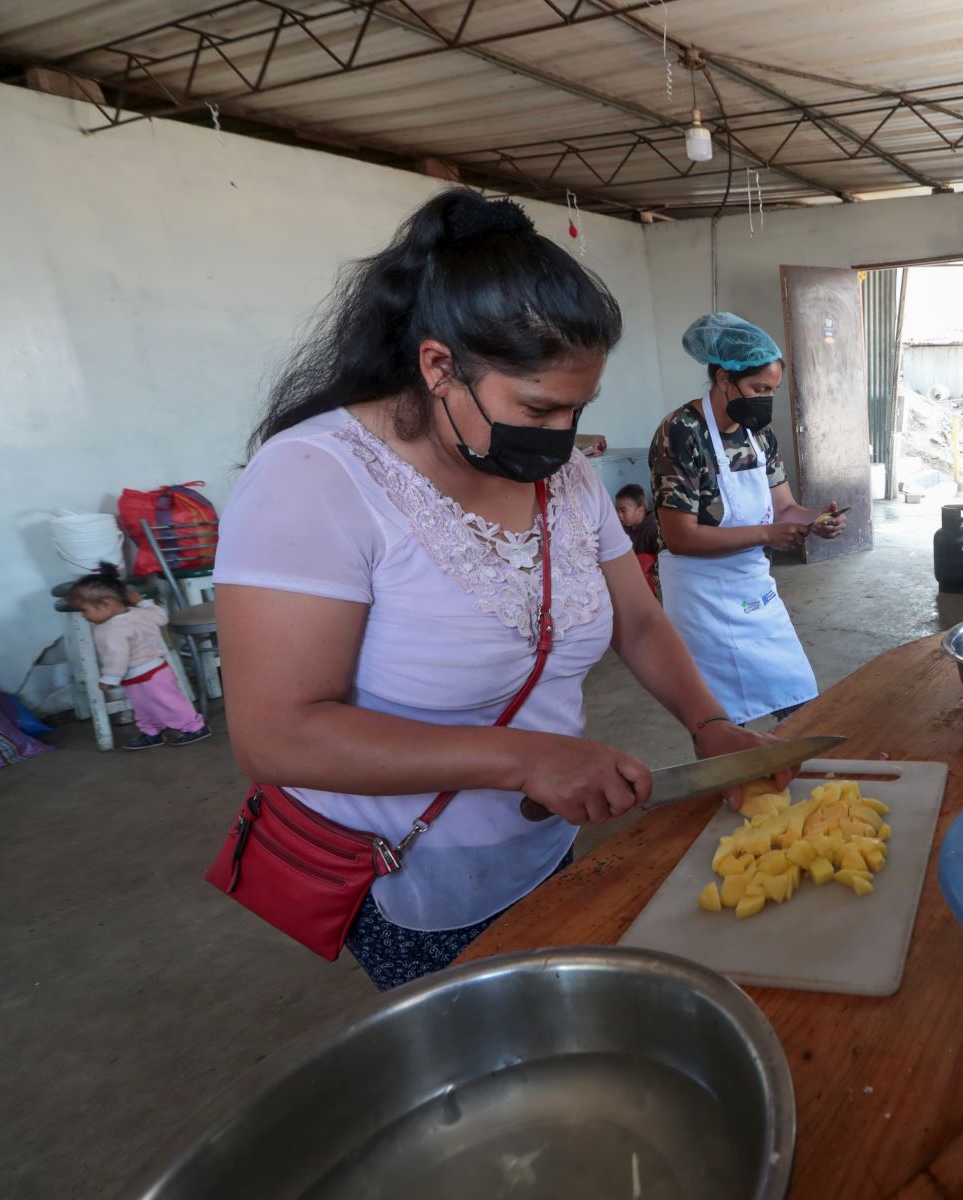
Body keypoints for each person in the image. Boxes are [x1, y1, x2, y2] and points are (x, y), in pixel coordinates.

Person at [212, 189, 788, 990]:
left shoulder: (571, 481)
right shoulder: (315, 479)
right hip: (409, 873)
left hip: (543, 845)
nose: (563, 440)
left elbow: (640, 622)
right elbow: (276, 735)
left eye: (578, 409)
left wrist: (710, 722)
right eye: (539, 409)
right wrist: (526, 759)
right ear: (439, 365)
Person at [650, 313, 845, 726]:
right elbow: (679, 536)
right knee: (719, 720)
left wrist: (817, 519)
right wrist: (768, 534)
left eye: (771, 390)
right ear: (723, 378)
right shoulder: (682, 431)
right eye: (758, 388)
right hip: (699, 596)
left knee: (800, 698)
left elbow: (785, 507)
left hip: (753, 587)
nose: (764, 399)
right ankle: (729, 787)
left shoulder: (758, 434)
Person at [68, 563, 209, 750]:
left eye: (84, 610)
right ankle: (153, 733)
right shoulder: (140, 613)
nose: (83, 616)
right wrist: (144, 603)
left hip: (142, 674)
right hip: (156, 670)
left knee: (163, 704)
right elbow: (162, 618)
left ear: (105, 604)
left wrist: (109, 679)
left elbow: (117, 656)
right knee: (149, 705)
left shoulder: (111, 629)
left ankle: (194, 727)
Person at [614, 483, 663, 598]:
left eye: (623, 510)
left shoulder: (654, 528)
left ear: (640, 511)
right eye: (617, 510)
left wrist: (655, 572)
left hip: (651, 582)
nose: (619, 515)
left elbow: (663, 554)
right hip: (634, 579)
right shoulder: (623, 529)